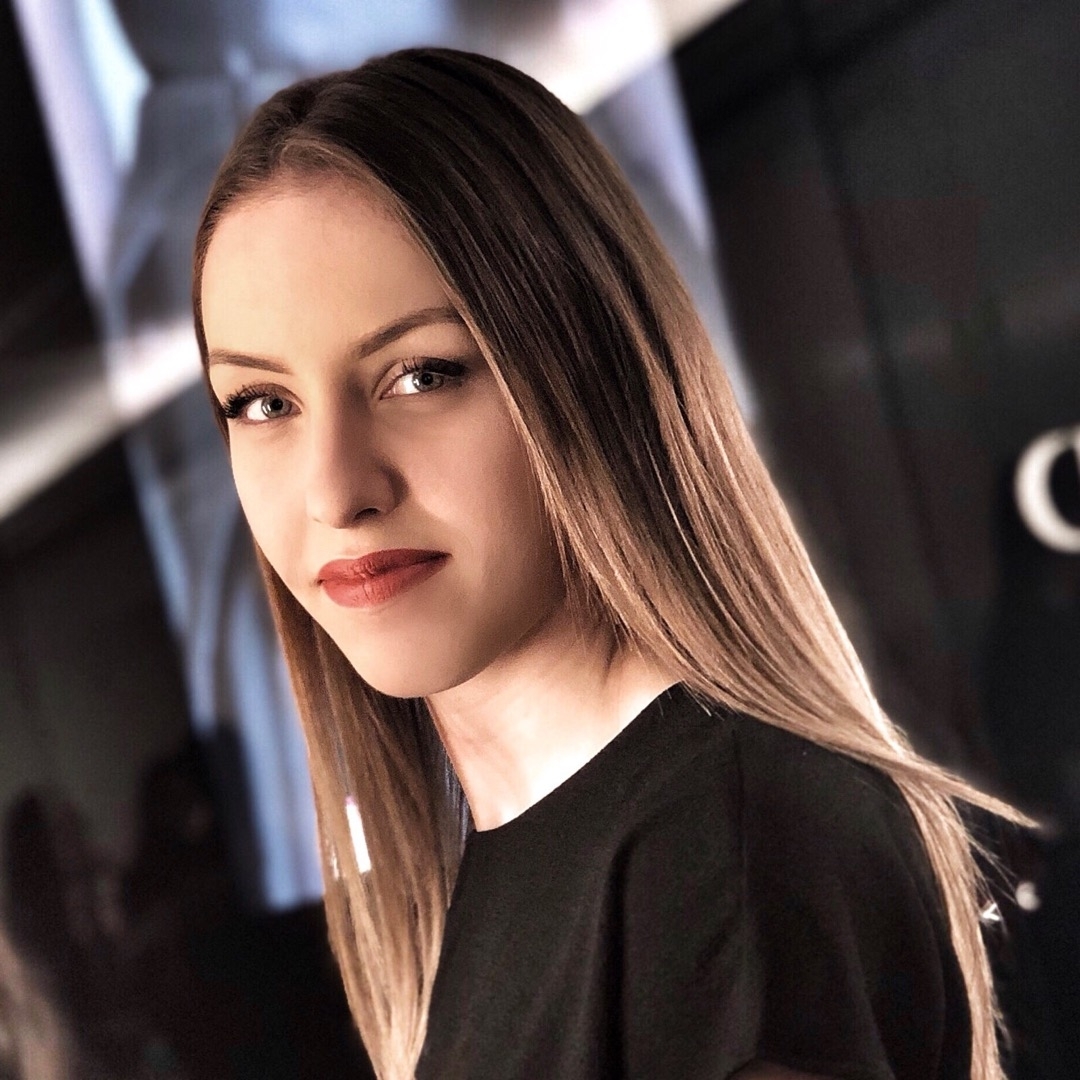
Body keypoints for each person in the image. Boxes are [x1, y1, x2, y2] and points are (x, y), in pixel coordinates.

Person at [193, 47, 1024, 1080]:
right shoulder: (523, 867)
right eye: (262, 402)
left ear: (587, 366)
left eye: (422, 374)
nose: (334, 490)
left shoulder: (719, 850)